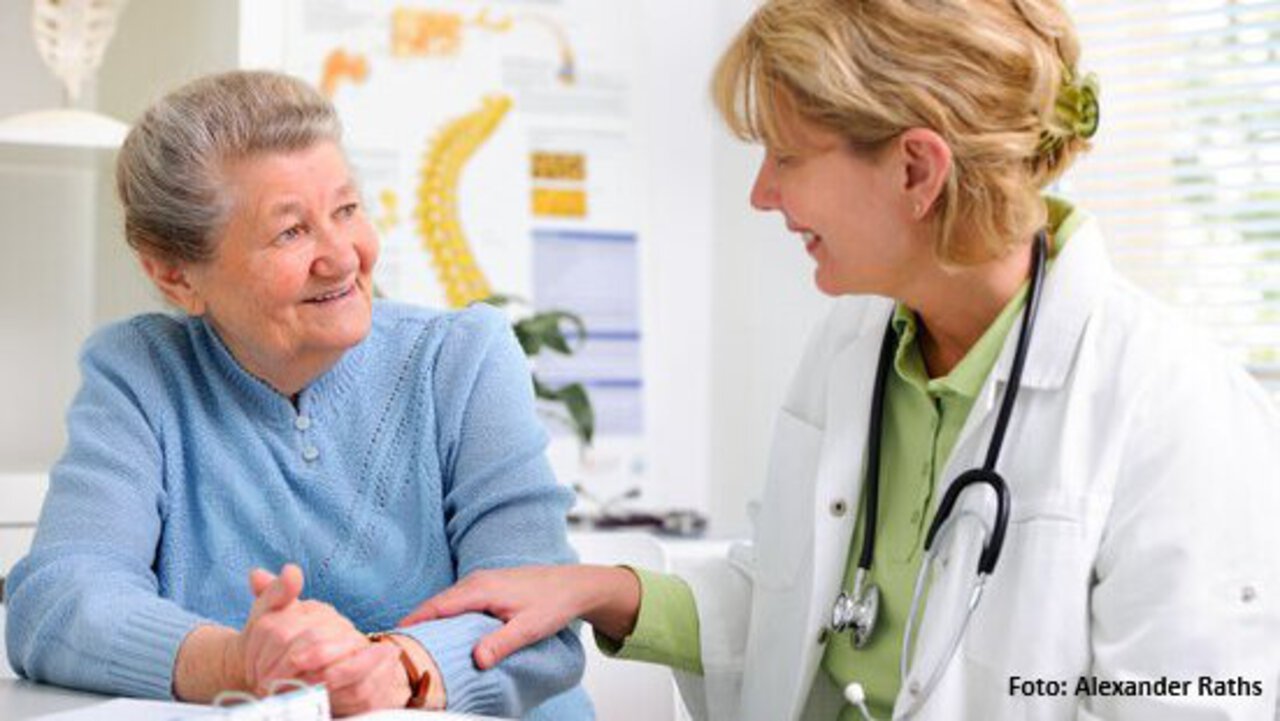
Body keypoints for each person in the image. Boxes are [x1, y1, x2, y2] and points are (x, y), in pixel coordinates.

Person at [398, 1, 1280, 719]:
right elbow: (800, 611)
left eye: (786, 156)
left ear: (916, 170)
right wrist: (598, 588)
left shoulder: (1173, 403)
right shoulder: (858, 341)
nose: (762, 194)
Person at [3, 70, 591, 719]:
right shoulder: (141, 373)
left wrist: (395, 670)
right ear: (174, 276)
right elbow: (57, 601)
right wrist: (237, 663)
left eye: (347, 210)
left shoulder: (462, 357)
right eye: (291, 231)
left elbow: (540, 616)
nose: (343, 257)